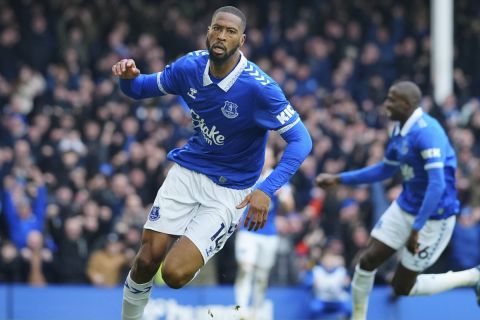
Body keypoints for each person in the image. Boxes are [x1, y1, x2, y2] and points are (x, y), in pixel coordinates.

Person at [112, 6, 312, 320]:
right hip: (189, 172)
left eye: (230, 31)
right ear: (208, 31)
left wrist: (267, 189)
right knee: (147, 258)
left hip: (231, 191)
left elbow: (302, 140)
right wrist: (127, 79)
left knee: (175, 275)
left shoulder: (260, 88)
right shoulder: (189, 67)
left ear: (241, 40)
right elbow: (140, 88)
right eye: (217, 28)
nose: (221, 36)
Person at [315, 81, 480, 320]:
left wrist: (417, 228)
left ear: (406, 104)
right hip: (405, 206)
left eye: (391, 100)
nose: (386, 104)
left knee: (402, 287)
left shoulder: (427, 132)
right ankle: (358, 317)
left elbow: (437, 185)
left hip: (434, 217)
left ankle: (473, 276)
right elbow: (386, 169)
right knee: (366, 261)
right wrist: (340, 179)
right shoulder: (399, 129)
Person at [234, 146, 295, 319]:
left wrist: (283, 196)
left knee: (261, 275)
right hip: (247, 231)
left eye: (266, 156)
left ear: (272, 160)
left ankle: (256, 310)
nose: (263, 158)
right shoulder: (248, 174)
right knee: (245, 268)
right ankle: (241, 310)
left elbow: (289, 206)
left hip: (269, 233)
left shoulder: (278, 178)